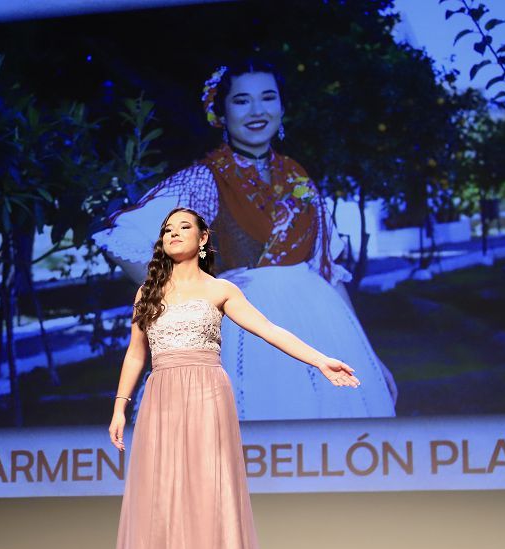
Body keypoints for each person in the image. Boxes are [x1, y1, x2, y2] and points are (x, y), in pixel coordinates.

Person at [94, 208, 360, 549]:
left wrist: (319, 359)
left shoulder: (221, 289)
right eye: (167, 229)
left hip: (205, 395)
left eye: (184, 227)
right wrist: (120, 407)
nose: (174, 233)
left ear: (203, 240)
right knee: (162, 501)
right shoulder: (148, 292)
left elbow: (269, 329)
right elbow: (135, 355)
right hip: (161, 398)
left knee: (207, 498)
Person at [93, 59, 395, 420]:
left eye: (268, 98)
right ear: (220, 111)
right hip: (246, 331)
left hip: (321, 326)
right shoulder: (204, 180)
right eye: (241, 101)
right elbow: (121, 235)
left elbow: (328, 274)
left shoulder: (301, 181)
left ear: (282, 108)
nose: (257, 111)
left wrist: (370, 357)